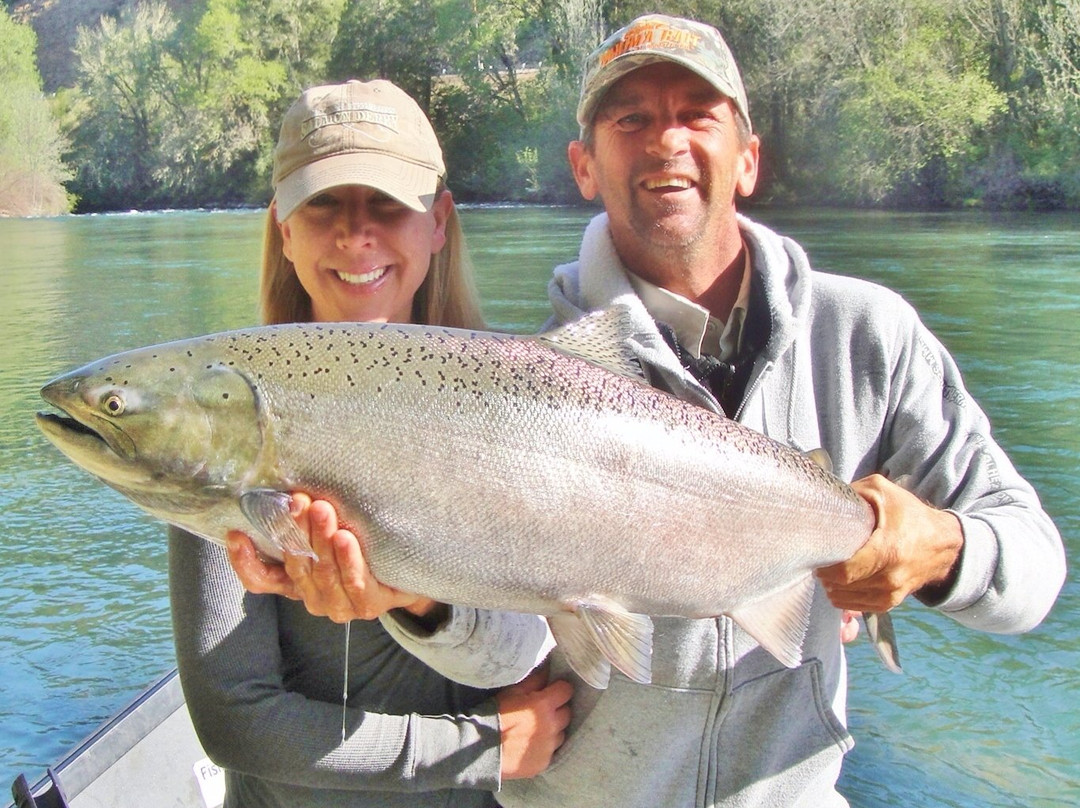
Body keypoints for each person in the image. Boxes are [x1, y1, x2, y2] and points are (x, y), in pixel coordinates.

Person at [228, 16, 1066, 807]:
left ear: (748, 158)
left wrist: (941, 548)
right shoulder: (517, 389)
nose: (666, 139)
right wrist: (413, 597)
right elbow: (511, 651)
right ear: (584, 165)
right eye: (630, 119)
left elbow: (1033, 574)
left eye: (698, 115)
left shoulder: (868, 339)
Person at [168, 78, 572, 808]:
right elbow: (236, 719)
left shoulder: (516, 409)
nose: (356, 235)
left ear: (439, 222)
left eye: (387, 202)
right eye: (323, 203)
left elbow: (545, 637)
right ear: (282, 229)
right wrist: (480, 749)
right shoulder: (230, 422)